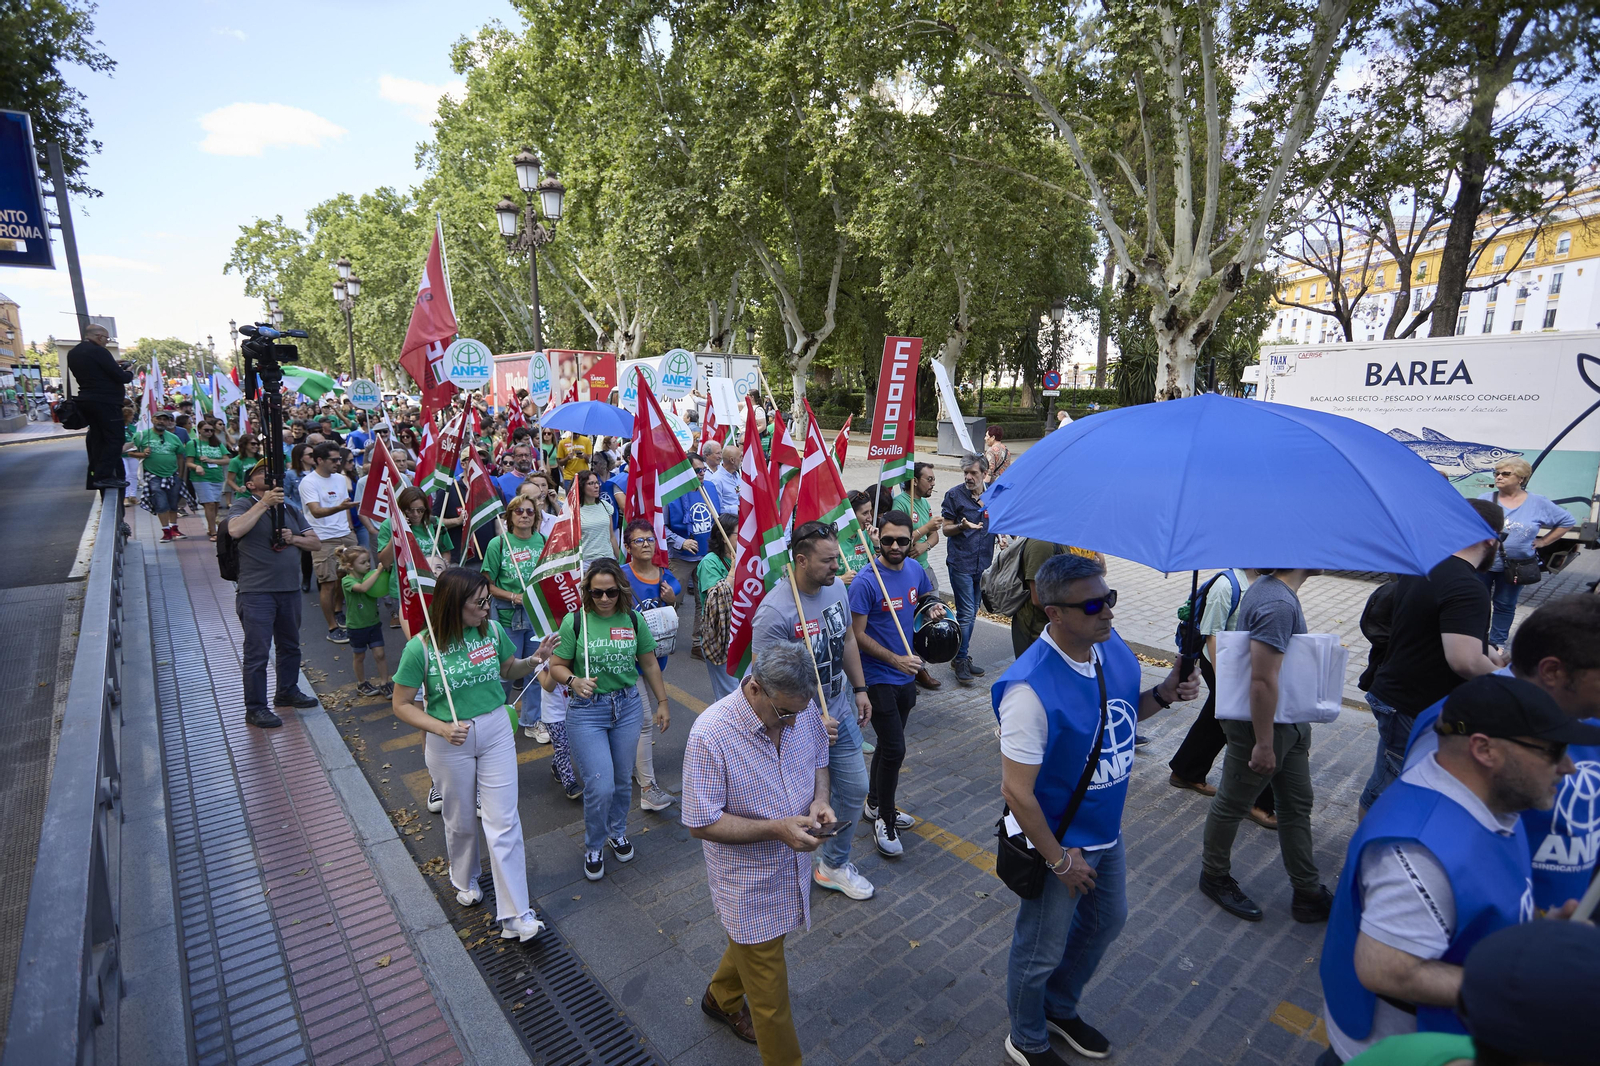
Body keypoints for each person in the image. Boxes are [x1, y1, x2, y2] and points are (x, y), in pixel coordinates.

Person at [1316, 674, 1599, 1065]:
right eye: (1553, 751)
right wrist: (1528, 984)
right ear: (1484, 749)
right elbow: (1385, 969)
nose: (1568, 767)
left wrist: (1541, 945)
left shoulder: (1493, 799)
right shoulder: (1418, 853)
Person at [994, 553, 1199, 1065]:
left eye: (1109, 598)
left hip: (1106, 828)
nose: (1107, 612)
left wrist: (1165, 694)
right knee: (1040, 946)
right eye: (1092, 605)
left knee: (1107, 920)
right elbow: (1017, 793)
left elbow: (1126, 711)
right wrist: (1061, 860)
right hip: (1059, 841)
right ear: (1053, 612)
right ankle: (1026, 1036)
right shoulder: (1029, 690)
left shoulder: (1112, 650)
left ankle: (1059, 1009)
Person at [683, 642, 835, 1065]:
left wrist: (820, 799)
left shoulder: (799, 711)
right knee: (771, 1003)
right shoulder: (709, 735)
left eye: (798, 715)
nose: (791, 724)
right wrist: (775, 829)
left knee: (758, 946)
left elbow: (820, 757)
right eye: (783, 714)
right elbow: (700, 821)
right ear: (754, 688)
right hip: (747, 888)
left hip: (792, 872)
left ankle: (721, 996)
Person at [1401, 595, 1600, 912]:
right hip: (1496, 936)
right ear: (1552, 671)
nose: (1567, 767)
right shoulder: (1456, 724)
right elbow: (1429, 846)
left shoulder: (1587, 714)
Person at [390, 567, 548, 943]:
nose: (487, 607)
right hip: (449, 742)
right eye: (479, 602)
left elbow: (509, 668)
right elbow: (401, 705)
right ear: (452, 605)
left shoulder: (491, 632)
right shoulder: (421, 648)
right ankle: (464, 877)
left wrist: (536, 659)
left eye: (487, 600)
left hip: (495, 730)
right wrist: (440, 727)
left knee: (503, 820)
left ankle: (515, 915)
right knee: (460, 820)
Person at [1199, 567, 1334, 923]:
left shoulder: (1273, 590)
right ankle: (1213, 877)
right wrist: (1263, 743)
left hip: (1286, 723)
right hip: (1264, 728)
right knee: (1233, 802)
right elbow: (1261, 680)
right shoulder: (1276, 602)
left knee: (1295, 805)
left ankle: (1307, 892)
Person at [752, 521, 877, 902]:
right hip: (796, 724)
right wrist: (808, 718)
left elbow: (849, 639)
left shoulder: (836, 587)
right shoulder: (774, 612)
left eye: (837, 558)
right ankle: (785, 866)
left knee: (855, 789)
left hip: (837, 710)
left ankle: (833, 865)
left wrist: (859, 688)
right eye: (828, 561)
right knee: (799, 800)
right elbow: (762, 686)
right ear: (801, 560)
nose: (837, 567)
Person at [1362, 500, 1507, 813]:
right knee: (1389, 792)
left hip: (1398, 695)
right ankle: (1368, 856)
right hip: (1411, 705)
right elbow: (1465, 661)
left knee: (1392, 780)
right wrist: (1505, 681)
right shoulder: (1468, 586)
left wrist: (1489, 653)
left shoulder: (1423, 568)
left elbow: (1434, 633)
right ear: (1491, 538)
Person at [548, 559, 670, 881]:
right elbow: (556, 666)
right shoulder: (575, 622)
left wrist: (662, 702)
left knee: (620, 782)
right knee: (599, 785)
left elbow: (649, 663)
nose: (604, 599)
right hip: (587, 712)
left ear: (621, 590)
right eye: (597, 592)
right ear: (587, 591)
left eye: (611, 592)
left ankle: (617, 831)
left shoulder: (632, 619)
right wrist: (574, 680)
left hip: (627, 706)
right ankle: (593, 844)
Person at [848, 510, 946, 858]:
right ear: (878, 539)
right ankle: (885, 820)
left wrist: (933, 608)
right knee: (896, 749)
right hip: (877, 677)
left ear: (911, 542)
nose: (894, 546)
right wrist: (895, 660)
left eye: (902, 540)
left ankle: (874, 803)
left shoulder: (916, 569)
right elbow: (856, 636)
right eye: (887, 539)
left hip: (906, 674)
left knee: (890, 748)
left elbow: (925, 599)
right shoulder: (865, 581)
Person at [1168, 569, 1277, 826]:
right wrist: (1225, 680)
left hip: (1242, 663)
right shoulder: (1226, 585)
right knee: (1249, 725)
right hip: (1219, 663)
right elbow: (1212, 634)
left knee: (1216, 718)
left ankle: (1186, 771)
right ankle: (1259, 801)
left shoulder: (1265, 581)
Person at [227, 461, 322, 728]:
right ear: (250, 484)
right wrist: (263, 503)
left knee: (290, 646)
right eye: (262, 474)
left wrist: (293, 539)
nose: (270, 476)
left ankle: (287, 691)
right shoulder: (244, 504)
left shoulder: (290, 508)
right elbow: (235, 530)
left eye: (272, 471)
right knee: (257, 652)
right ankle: (255, 707)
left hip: (289, 590)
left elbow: (314, 542)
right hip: (256, 591)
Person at [1477, 459, 1575, 647]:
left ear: (1521, 478)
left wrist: (1544, 541)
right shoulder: (1485, 499)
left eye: (1505, 474)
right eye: (1496, 473)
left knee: (1505, 605)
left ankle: (1496, 644)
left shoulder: (1538, 503)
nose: (1499, 477)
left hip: (1517, 565)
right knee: (1477, 603)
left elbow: (1567, 521)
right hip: (1483, 563)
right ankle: (1476, 640)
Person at [621, 517, 682, 813]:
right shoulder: (620, 577)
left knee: (638, 719)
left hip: (657, 657)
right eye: (638, 541)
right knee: (645, 720)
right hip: (629, 660)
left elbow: (673, 611)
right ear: (628, 547)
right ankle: (648, 788)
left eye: (649, 540)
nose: (645, 545)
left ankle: (635, 767)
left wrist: (672, 599)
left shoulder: (665, 576)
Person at [481, 496, 548, 741]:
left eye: (530, 511)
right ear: (510, 516)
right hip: (506, 617)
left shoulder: (542, 540)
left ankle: (532, 720)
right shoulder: (497, 544)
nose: (525, 514)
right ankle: (495, 720)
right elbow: (486, 584)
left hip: (535, 617)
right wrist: (513, 596)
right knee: (504, 671)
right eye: (519, 510)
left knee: (536, 669)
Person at [376, 486, 462, 635]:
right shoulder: (388, 525)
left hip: (434, 586)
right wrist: (397, 532)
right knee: (416, 634)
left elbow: (446, 552)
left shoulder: (434, 524)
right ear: (402, 510)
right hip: (407, 589)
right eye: (410, 510)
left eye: (420, 510)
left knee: (440, 629)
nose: (415, 515)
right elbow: (385, 561)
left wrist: (441, 567)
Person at [941, 453, 995, 683]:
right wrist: (961, 526)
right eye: (966, 473)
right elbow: (945, 529)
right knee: (966, 615)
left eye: (973, 473)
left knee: (972, 612)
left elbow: (1000, 516)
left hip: (982, 562)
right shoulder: (954, 495)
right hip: (961, 562)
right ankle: (961, 660)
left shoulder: (994, 493)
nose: (968, 477)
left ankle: (959, 656)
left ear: (985, 474)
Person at [299, 442, 358, 644]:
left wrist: (350, 530)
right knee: (328, 583)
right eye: (334, 460)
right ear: (319, 460)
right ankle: (332, 628)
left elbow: (346, 507)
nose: (338, 463)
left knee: (345, 576)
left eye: (339, 459)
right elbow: (315, 511)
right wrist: (340, 507)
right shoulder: (309, 482)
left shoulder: (341, 479)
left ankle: (338, 609)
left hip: (345, 534)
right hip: (323, 538)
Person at [666, 453, 723, 657]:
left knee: (705, 601)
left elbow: (720, 520)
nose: (701, 474)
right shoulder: (671, 493)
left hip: (706, 556)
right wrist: (681, 541)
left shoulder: (710, 489)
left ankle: (698, 643)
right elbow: (660, 527)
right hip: (681, 558)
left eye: (703, 470)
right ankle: (665, 637)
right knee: (674, 600)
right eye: (697, 470)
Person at [67, 323, 134, 489]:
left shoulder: (74, 352)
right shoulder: (99, 351)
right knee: (115, 438)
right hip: (106, 402)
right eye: (106, 338)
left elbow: (95, 371)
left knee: (98, 438)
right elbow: (121, 377)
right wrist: (129, 371)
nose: (107, 342)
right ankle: (104, 476)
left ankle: (96, 475)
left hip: (87, 400)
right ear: (98, 337)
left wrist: (112, 363)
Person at [337, 545, 392, 697]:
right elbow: (363, 588)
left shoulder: (371, 576)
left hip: (373, 623)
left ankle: (384, 682)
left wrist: (385, 571)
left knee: (380, 654)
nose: (368, 565)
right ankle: (361, 683)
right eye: (363, 562)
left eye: (368, 561)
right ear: (349, 566)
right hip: (356, 627)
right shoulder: (347, 581)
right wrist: (379, 571)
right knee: (359, 656)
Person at [697, 514, 740, 701]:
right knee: (728, 695)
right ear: (724, 537)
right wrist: (733, 572)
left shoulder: (746, 559)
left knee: (743, 690)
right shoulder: (710, 562)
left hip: (741, 633)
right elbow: (716, 597)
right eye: (739, 533)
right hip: (720, 636)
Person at [130, 411, 187, 540]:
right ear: (153, 420)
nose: (161, 421)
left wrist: (180, 475)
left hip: (172, 475)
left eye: (164, 419)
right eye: (158, 419)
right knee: (161, 504)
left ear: (169, 422)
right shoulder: (142, 436)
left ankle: (174, 529)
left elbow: (179, 456)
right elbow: (130, 452)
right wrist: (142, 454)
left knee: (173, 503)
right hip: (153, 475)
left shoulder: (174, 438)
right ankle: (166, 531)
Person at [186, 417, 232, 541]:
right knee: (209, 503)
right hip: (201, 478)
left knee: (216, 504)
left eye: (211, 430)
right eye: (206, 430)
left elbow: (227, 459)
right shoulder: (193, 443)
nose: (209, 433)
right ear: (199, 430)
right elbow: (188, 462)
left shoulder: (217, 444)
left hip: (217, 477)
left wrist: (212, 460)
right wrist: (197, 467)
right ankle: (213, 530)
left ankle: (211, 526)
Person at [575, 471, 620, 565]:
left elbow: (611, 536)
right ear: (581, 486)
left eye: (597, 483)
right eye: (591, 483)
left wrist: (620, 560)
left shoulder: (605, 505)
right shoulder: (574, 510)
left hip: (608, 559)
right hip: (586, 563)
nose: (596, 486)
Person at [707, 444, 742, 518]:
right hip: (728, 523)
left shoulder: (736, 475)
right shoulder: (716, 480)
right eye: (740, 457)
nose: (742, 459)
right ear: (732, 460)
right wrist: (737, 509)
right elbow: (716, 508)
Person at [226, 434, 262, 499]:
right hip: (244, 497)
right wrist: (238, 489)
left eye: (257, 444)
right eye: (253, 444)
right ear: (244, 444)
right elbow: (230, 480)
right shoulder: (236, 461)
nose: (256, 446)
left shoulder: (262, 459)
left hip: (260, 496)